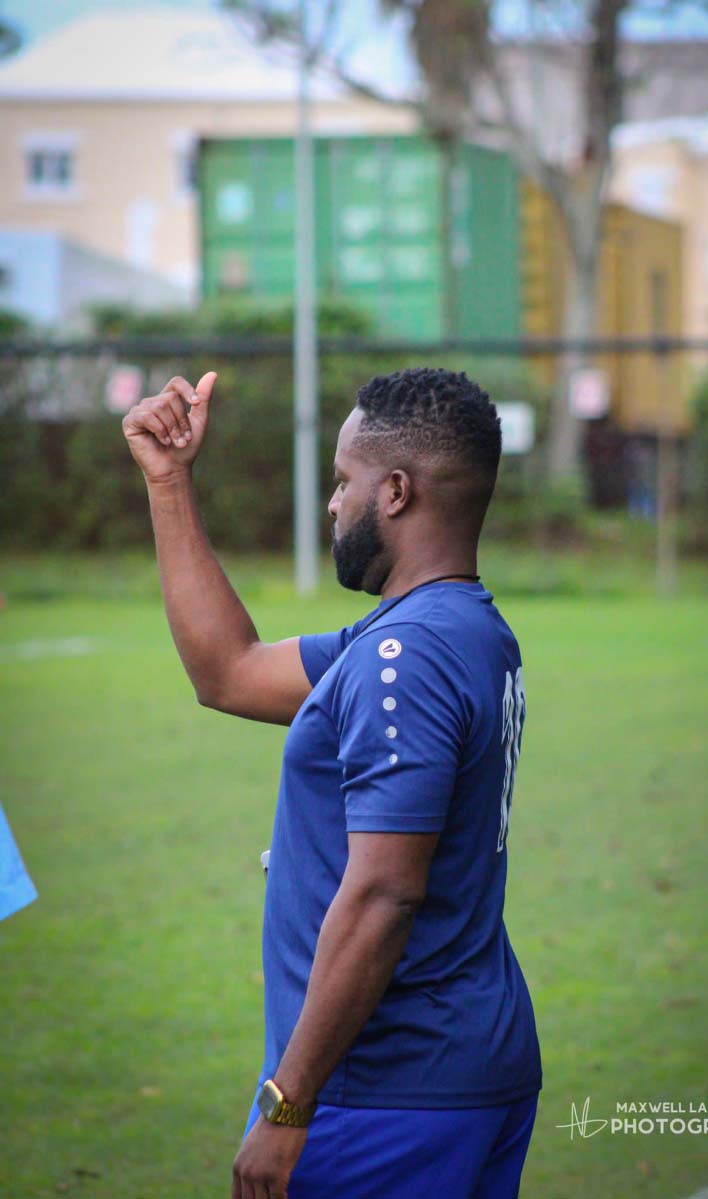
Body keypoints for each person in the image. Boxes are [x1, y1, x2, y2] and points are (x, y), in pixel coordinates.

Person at [122, 366, 543, 1199]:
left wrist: (287, 1102)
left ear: (396, 491)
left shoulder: (406, 656)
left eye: (344, 480)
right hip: (463, 1064)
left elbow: (384, 893)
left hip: (387, 1090)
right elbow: (230, 671)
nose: (332, 503)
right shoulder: (454, 628)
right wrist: (168, 483)